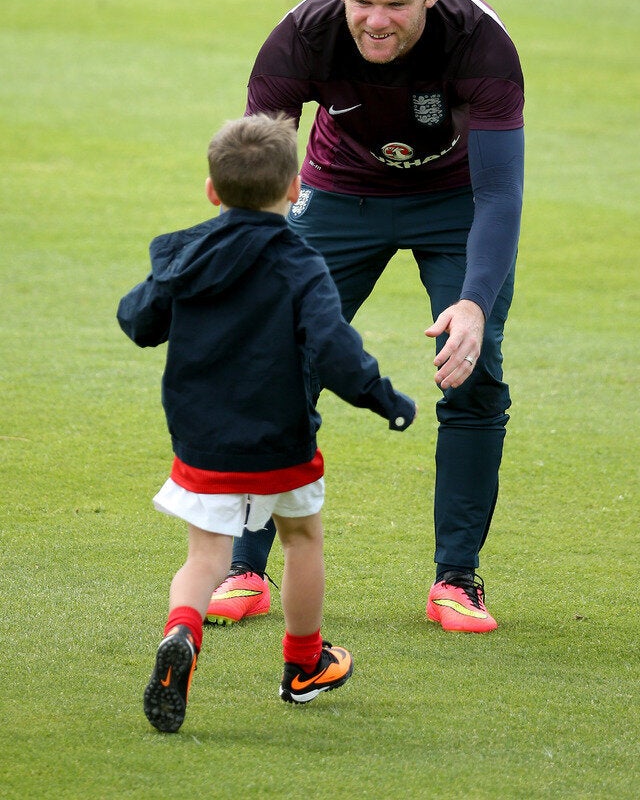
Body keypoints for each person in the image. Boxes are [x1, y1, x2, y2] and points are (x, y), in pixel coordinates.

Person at [206, 0, 524, 635]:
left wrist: (474, 302)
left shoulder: (481, 43)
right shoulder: (300, 37)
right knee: (278, 366)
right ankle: (246, 570)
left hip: (456, 203)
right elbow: (259, 170)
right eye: (362, 2)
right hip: (338, 195)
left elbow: (501, 191)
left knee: (474, 369)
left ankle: (457, 581)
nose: (377, 20)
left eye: (398, 4)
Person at [117, 113, 416, 733]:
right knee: (302, 537)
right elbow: (334, 347)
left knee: (206, 555)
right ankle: (304, 665)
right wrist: (384, 398)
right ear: (296, 191)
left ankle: (182, 633)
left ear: (211, 190)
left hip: (202, 439)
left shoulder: (183, 252)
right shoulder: (301, 263)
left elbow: (139, 321)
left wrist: (160, 289)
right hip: (281, 438)